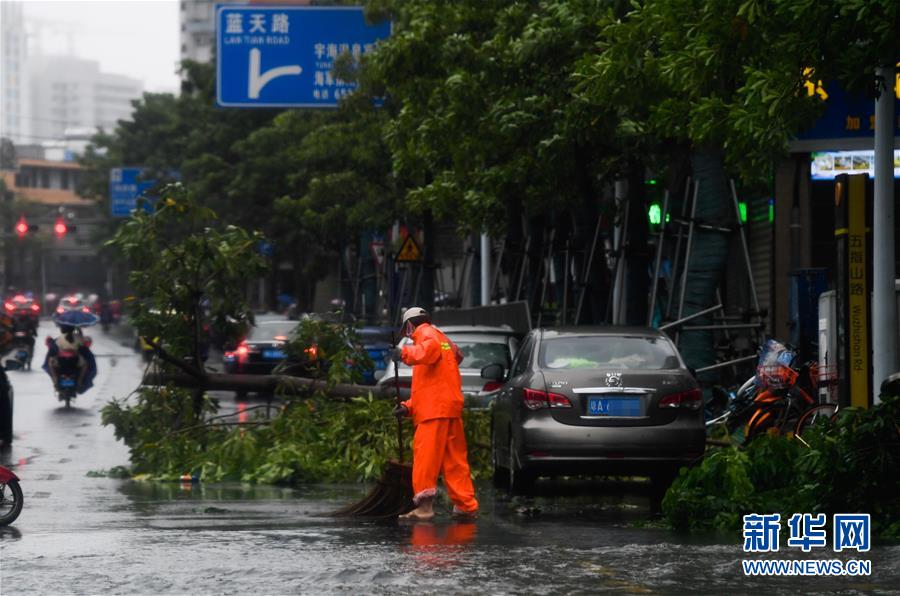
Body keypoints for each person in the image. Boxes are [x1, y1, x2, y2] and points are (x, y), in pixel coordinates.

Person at [392, 307, 479, 521]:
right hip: (448, 408)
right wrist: (408, 407)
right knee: (455, 462)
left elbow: (427, 353)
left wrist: (403, 353)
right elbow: (435, 382)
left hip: (433, 413)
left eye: (407, 332)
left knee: (426, 460)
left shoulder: (425, 334)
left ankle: (424, 509)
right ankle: (466, 506)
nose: (409, 337)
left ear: (410, 325)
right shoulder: (444, 340)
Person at [44, 324, 97, 393]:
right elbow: (83, 346)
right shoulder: (78, 337)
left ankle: (56, 380)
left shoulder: (60, 338)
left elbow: (55, 348)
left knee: (50, 363)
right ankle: (79, 381)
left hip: (61, 361)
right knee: (85, 365)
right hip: (75, 361)